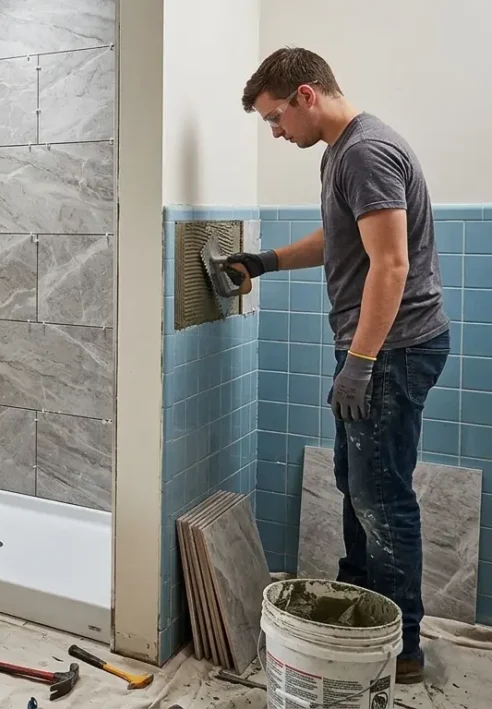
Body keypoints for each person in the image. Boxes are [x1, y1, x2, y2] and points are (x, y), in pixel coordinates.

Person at [228, 48, 448, 684]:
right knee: (360, 485)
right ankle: (358, 608)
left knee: (383, 498)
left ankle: (401, 646)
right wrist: (266, 261)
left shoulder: (364, 151)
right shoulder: (340, 153)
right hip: (381, 349)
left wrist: (360, 364)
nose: (275, 132)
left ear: (305, 95)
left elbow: (392, 264)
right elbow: (340, 237)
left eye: (275, 118)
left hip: (391, 351)